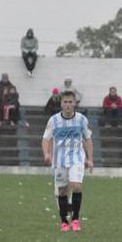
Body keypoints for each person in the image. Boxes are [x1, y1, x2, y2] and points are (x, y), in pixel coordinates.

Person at [42, 90, 93, 232]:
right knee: (62, 191)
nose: (68, 105)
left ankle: (75, 219)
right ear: (61, 104)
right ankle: (64, 221)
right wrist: (46, 154)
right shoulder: (53, 120)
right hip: (59, 160)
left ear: (74, 103)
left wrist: (90, 159)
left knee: (76, 186)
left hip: (77, 158)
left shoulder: (82, 119)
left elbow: (88, 139)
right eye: (65, 102)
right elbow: (46, 139)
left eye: (70, 102)